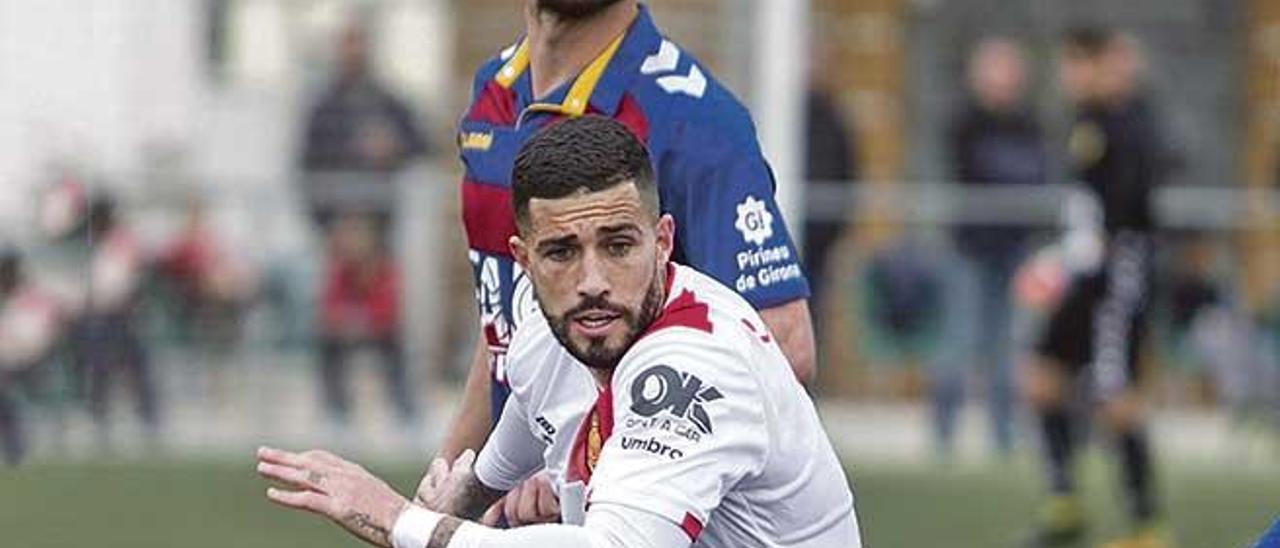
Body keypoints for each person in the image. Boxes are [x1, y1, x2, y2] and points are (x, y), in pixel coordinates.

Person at [255, 115, 862, 548]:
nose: (591, 279)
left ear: (665, 243)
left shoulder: (693, 361)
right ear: (524, 260)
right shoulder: (550, 323)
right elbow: (527, 411)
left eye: (619, 245)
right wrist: (467, 495)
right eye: (562, 252)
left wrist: (397, 520)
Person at [441, 2, 817, 507]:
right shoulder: (496, 89)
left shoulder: (693, 118)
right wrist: (449, 487)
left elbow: (784, 347)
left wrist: (582, 463)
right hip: (519, 502)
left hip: (633, 510)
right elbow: (503, 330)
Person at [1021, 28, 1171, 548]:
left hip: (1117, 276)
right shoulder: (1086, 122)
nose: (1067, 77)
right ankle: (1065, 504)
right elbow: (1084, 210)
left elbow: (1123, 213)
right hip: (1084, 275)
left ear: (1103, 65)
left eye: (1075, 65)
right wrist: (1060, 259)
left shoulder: (1132, 123)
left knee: (1114, 396)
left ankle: (1148, 526)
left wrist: (1070, 259)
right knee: (1041, 376)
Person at [931, 36, 1046, 458]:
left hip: (1015, 250)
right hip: (970, 249)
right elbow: (979, 170)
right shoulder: (965, 123)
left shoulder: (1029, 123)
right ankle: (943, 434)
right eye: (994, 70)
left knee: (1009, 347)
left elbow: (1035, 175)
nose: (1003, 80)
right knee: (958, 340)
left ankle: (1003, 435)